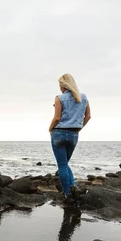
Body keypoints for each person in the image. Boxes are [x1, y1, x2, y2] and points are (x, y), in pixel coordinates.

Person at [48, 73, 91, 205]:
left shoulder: (59, 98)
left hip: (59, 133)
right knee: (65, 164)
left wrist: (50, 129)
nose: (60, 87)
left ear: (63, 85)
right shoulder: (83, 97)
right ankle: (74, 187)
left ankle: (67, 194)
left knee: (62, 165)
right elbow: (88, 116)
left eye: (60, 85)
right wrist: (79, 128)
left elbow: (57, 118)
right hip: (73, 134)